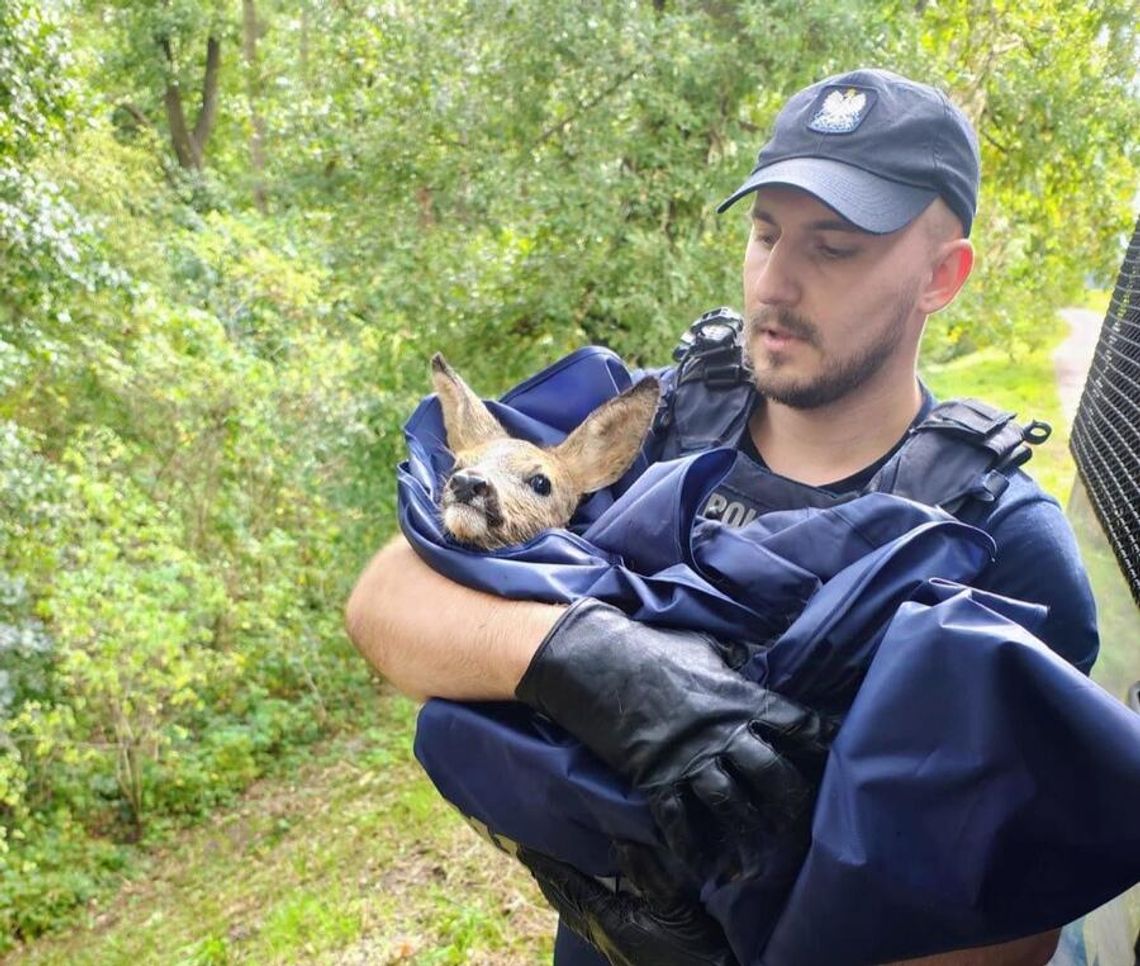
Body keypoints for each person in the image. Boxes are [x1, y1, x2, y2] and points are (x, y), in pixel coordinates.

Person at [345, 68, 1099, 965]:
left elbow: (1015, 926)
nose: (774, 283)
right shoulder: (644, 425)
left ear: (942, 275)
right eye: (764, 232)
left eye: (834, 246)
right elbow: (385, 603)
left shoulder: (996, 538)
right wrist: (592, 665)